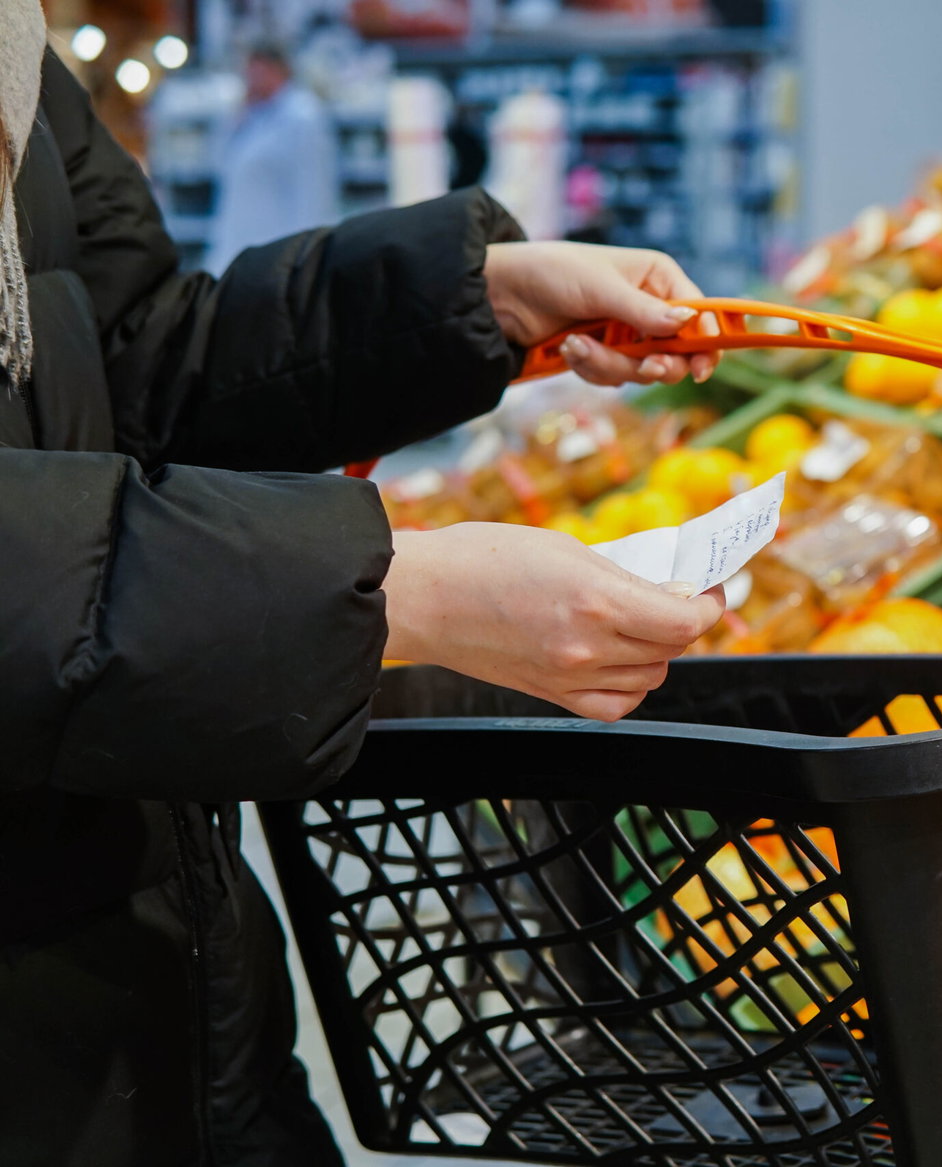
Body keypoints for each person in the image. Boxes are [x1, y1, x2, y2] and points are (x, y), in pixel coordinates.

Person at [0, 11, 726, 1166]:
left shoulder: (12, 53)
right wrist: (387, 595)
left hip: (166, 986)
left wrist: (471, 300)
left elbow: (131, 366)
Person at [203, 43, 340, 273]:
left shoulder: (303, 115)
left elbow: (314, 190)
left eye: (258, 71)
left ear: (278, 70)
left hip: (280, 246)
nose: (251, 79)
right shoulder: (251, 114)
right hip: (240, 241)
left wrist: (307, 253)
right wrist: (238, 115)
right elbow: (219, 164)